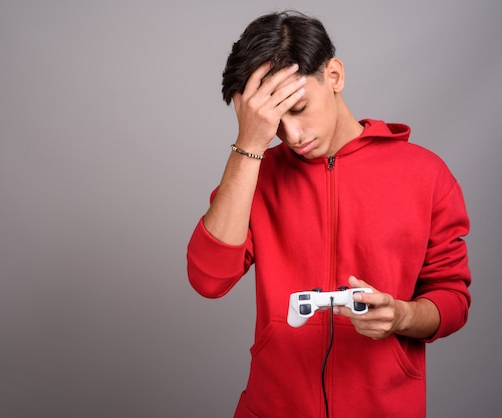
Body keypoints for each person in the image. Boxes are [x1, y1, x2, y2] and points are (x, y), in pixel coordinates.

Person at [186, 10, 471, 418]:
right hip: (271, 407)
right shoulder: (255, 175)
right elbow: (208, 278)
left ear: (334, 76)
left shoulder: (426, 174)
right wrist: (250, 143)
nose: (293, 135)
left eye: (298, 108)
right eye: (273, 123)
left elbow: (452, 298)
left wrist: (403, 316)